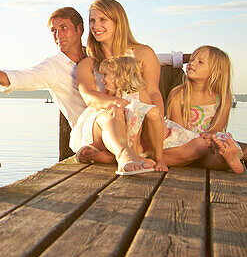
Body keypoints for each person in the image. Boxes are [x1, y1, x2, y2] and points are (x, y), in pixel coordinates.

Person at [70, 0, 213, 175]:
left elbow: (153, 92)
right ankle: (123, 155)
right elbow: (89, 96)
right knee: (114, 113)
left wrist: (159, 121)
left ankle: (114, 157)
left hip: (140, 117)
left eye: (102, 19)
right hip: (104, 123)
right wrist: (119, 103)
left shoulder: (143, 53)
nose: (96, 25)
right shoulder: (88, 63)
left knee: (198, 147)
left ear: (118, 21)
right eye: (92, 20)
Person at [101, 55, 236, 172]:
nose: (102, 80)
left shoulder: (141, 95)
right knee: (201, 150)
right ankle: (131, 158)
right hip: (140, 143)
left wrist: (209, 136)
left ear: (121, 76)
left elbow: (154, 119)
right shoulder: (179, 94)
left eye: (105, 75)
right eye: (193, 59)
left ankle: (228, 159)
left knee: (205, 148)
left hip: (160, 140)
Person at [0, 6, 89, 130]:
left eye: (64, 28)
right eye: (54, 30)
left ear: (79, 29)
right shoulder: (53, 67)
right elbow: (22, 78)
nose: (58, 35)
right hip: (90, 140)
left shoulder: (96, 58)